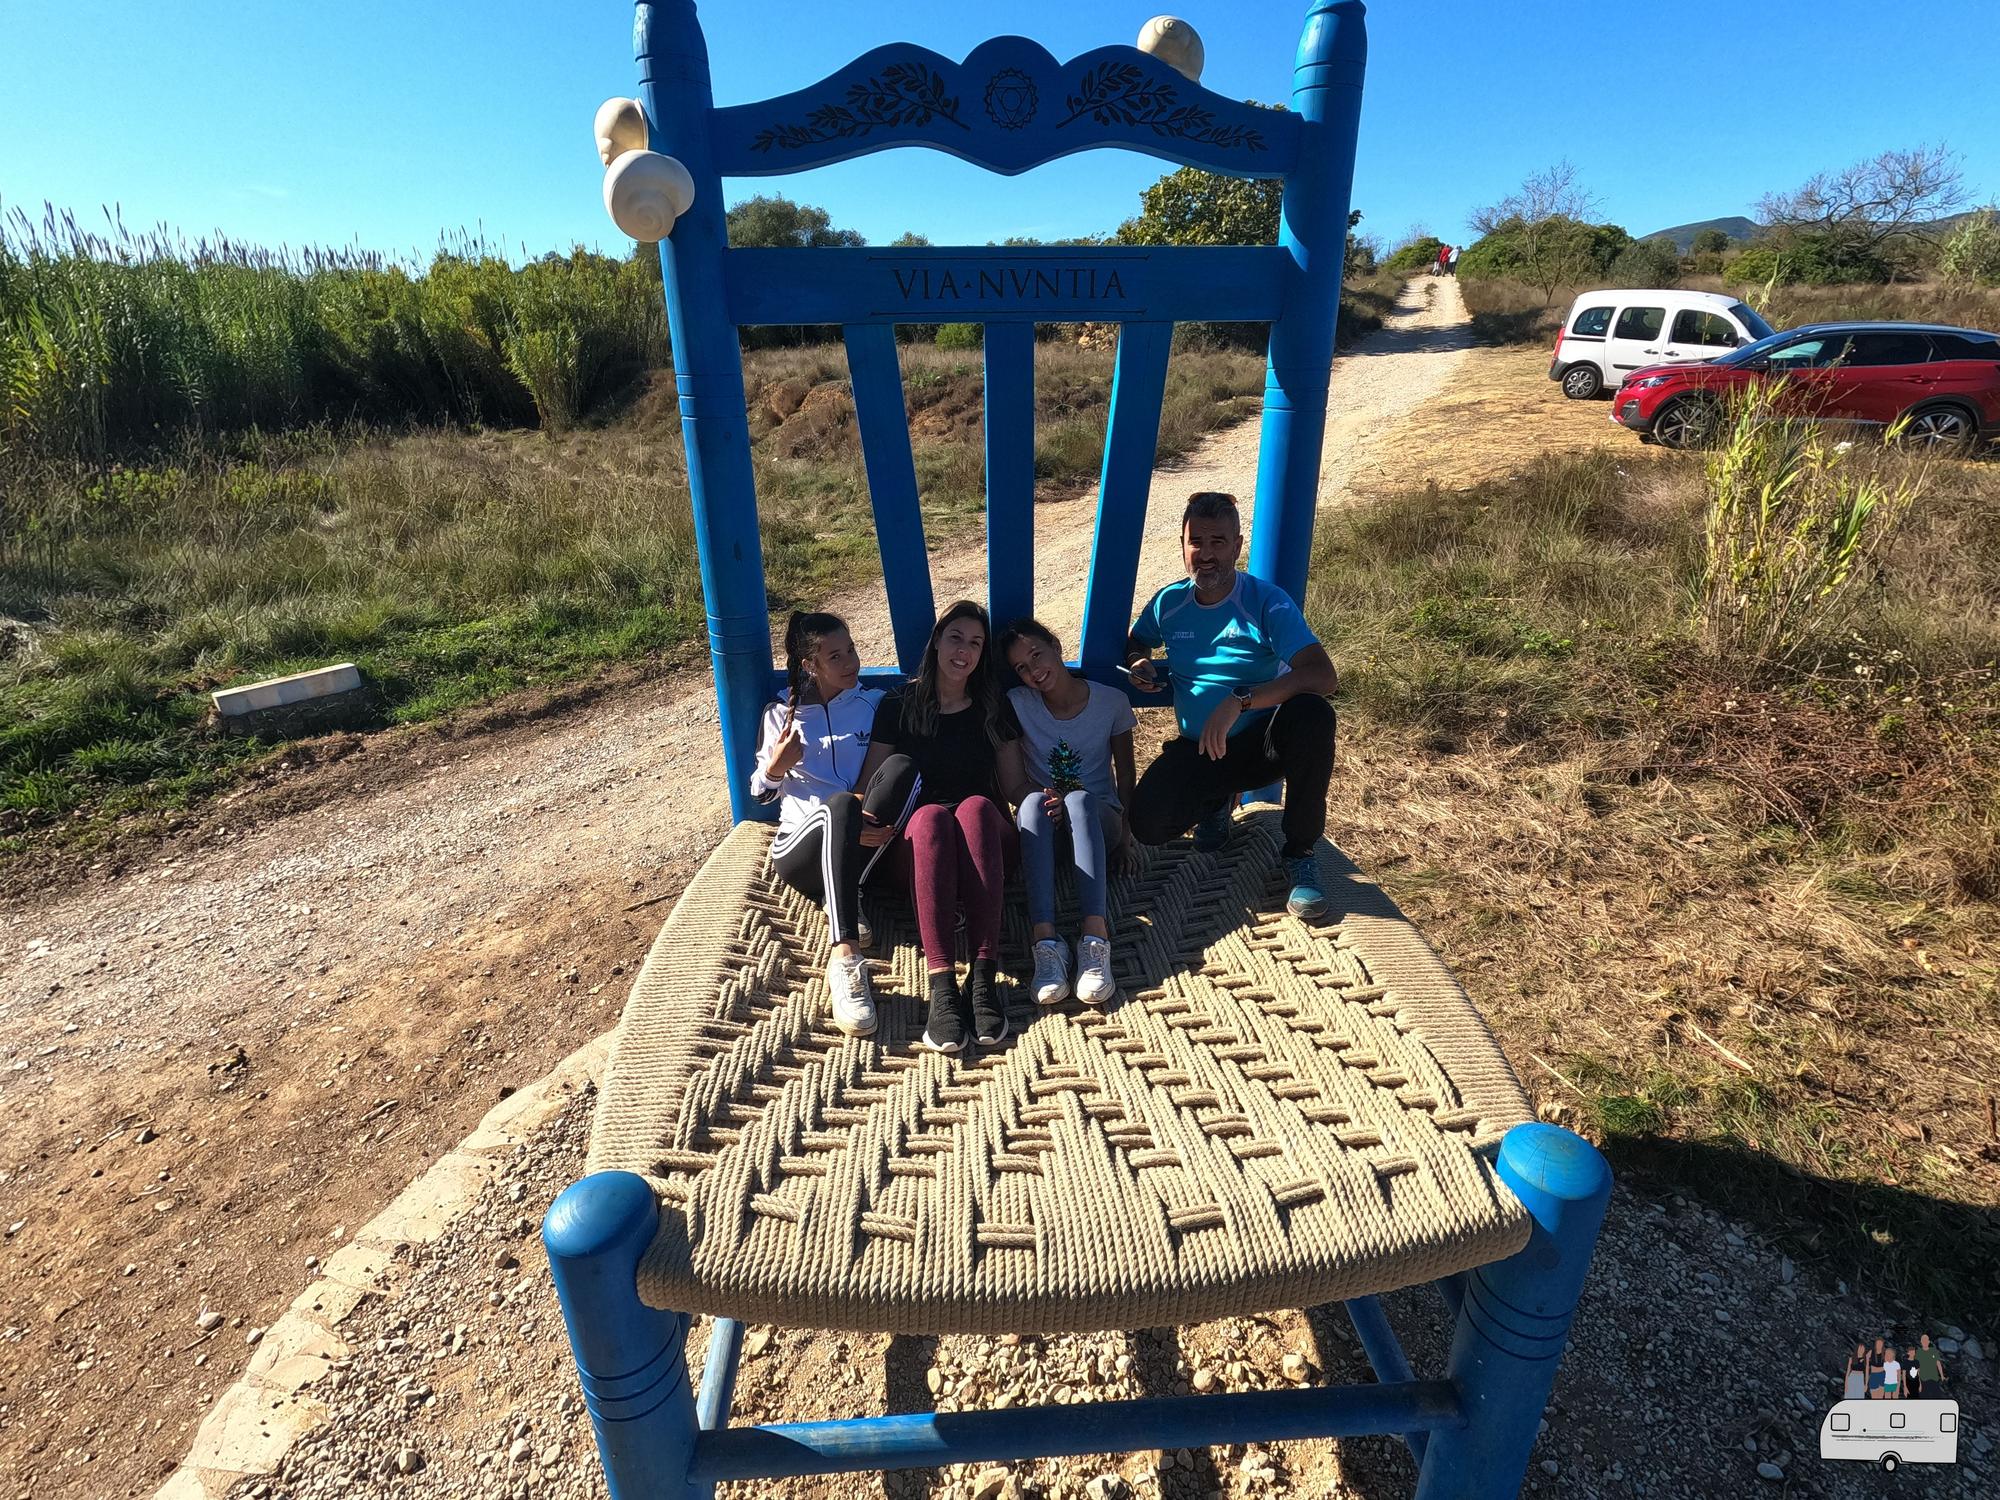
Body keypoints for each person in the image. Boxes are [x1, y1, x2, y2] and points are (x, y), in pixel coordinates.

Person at [1124, 492, 1340, 919]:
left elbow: (1322, 675)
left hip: (1264, 741)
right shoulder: (1170, 602)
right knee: (1147, 824)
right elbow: (1136, 641)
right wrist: (1139, 662)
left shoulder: (1264, 600)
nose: (1206, 554)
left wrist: (1240, 701)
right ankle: (1217, 803)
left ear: (1238, 546)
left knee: (1314, 714)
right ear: (1182, 545)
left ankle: (1299, 852)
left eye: (1218, 541)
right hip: (1204, 746)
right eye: (1196, 542)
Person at [858, 601, 1025, 1054]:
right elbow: (871, 785)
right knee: (930, 816)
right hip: (918, 848)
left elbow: (1014, 787)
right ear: (936, 641)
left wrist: (1053, 803)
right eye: (955, 637)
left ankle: (984, 978)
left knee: (973, 808)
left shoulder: (993, 706)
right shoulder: (898, 704)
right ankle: (943, 987)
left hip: (983, 842)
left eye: (975, 643)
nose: (964, 650)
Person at [751, 611, 913, 1037]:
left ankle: (846, 887)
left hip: (862, 839)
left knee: (902, 766)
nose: (850, 663)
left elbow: (885, 779)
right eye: (835, 656)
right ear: (810, 665)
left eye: (852, 651)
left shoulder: (872, 705)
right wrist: (776, 767)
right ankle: (845, 959)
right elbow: (761, 795)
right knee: (839, 806)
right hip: (801, 849)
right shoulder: (779, 716)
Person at [1000, 618, 1138, 1007]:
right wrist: (1045, 802)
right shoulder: (1016, 704)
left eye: (1036, 655)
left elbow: (1125, 776)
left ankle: (1095, 937)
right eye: (1021, 668)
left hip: (1099, 821)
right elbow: (1013, 785)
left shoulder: (1111, 701)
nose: (1033, 671)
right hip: (1048, 825)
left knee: (1078, 799)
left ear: (1057, 646)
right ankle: (1046, 943)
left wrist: (1126, 838)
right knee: (1030, 803)